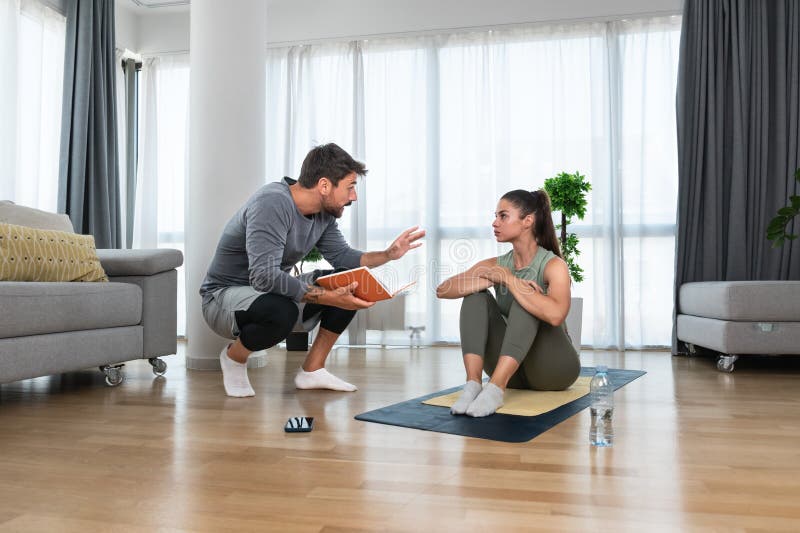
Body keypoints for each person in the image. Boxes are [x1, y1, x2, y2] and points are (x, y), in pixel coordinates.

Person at [200, 143, 425, 397]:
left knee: (343, 280)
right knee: (282, 311)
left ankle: (312, 370)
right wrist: (328, 297)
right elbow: (263, 276)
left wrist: (388, 255)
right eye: (350, 187)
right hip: (223, 298)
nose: (354, 197)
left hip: (267, 291)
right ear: (325, 185)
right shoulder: (272, 203)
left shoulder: (323, 214)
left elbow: (343, 256)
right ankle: (234, 358)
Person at [436, 189, 580, 417]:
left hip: (554, 369)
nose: (495, 222)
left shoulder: (553, 265)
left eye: (503, 216)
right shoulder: (497, 264)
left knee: (525, 300)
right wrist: (491, 278)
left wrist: (510, 281)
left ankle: (495, 389)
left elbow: (556, 315)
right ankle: (473, 385)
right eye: (495, 216)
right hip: (515, 372)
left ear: (527, 221)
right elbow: (443, 289)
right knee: (476, 297)